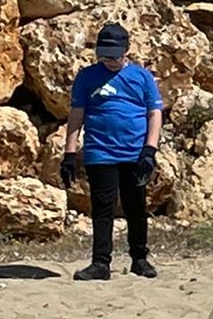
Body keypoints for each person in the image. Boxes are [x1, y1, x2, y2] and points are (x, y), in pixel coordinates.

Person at [61, 22, 162, 281]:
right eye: (104, 55)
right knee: (102, 208)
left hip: (135, 152)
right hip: (100, 152)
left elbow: (154, 113)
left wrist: (150, 150)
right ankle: (100, 263)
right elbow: (76, 115)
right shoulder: (86, 77)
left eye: (114, 55)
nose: (110, 61)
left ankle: (139, 258)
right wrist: (69, 154)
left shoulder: (142, 77)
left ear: (126, 51)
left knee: (135, 207)